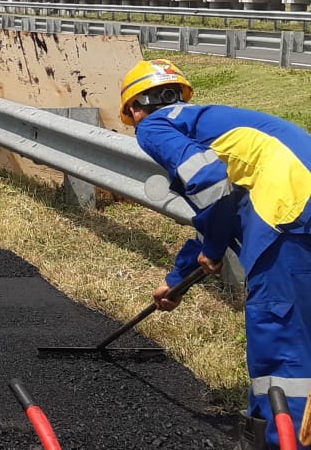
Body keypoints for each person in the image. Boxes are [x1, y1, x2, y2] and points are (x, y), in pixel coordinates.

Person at [119, 58, 311, 450]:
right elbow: (225, 211)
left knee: (280, 336)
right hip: (297, 209)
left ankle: (279, 442)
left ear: (134, 109)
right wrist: (177, 280)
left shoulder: (153, 126)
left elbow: (210, 185)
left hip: (288, 215)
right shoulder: (217, 123)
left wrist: (211, 249)